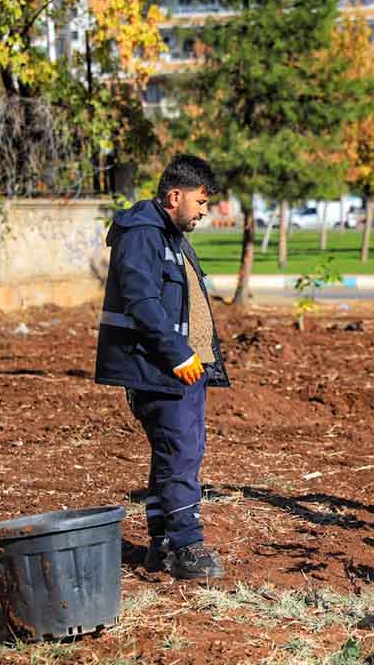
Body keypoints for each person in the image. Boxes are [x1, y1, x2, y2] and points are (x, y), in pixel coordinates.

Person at [95, 154, 230, 580]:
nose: (204, 211)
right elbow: (143, 303)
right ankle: (188, 546)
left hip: (184, 369)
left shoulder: (168, 235)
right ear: (176, 195)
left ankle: (163, 543)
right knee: (180, 454)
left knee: (173, 455)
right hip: (163, 369)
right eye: (201, 201)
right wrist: (179, 354)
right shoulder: (142, 236)